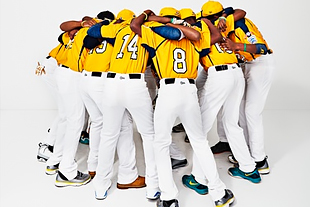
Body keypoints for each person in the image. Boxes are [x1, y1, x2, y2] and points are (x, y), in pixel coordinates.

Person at [131, 7, 234, 207]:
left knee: (160, 144)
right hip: (189, 91)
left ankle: (169, 197)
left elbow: (136, 25)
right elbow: (216, 36)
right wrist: (200, 22)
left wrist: (154, 17)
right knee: (199, 141)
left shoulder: (155, 35)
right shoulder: (195, 39)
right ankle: (219, 193)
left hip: (168, 90)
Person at [87, 9, 160, 200]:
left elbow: (91, 32)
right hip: (135, 84)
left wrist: (110, 23)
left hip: (111, 84)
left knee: (109, 134)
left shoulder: (117, 29)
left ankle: (100, 186)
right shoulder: (149, 28)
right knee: (149, 135)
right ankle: (153, 186)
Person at [194, 1, 261, 184]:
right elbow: (239, 11)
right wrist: (223, 16)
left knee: (199, 128)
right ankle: (248, 168)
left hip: (219, 76)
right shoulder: (223, 25)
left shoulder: (197, 31)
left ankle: (198, 178)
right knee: (231, 123)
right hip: (236, 74)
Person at [216, 3, 275, 174]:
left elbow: (261, 48)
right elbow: (229, 8)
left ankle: (260, 160)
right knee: (241, 110)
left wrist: (237, 47)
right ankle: (247, 153)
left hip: (261, 65)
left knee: (252, 113)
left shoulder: (240, 24)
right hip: (248, 65)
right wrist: (221, 17)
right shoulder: (226, 22)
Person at [46, 15, 99, 187]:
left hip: (62, 73)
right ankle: (66, 172)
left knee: (67, 119)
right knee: (75, 122)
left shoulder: (74, 32)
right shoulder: (86, 30)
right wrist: (84, 23)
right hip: (72, 76)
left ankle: (55, 160)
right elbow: (63, 25)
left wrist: (81, 24)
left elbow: (64, 26)